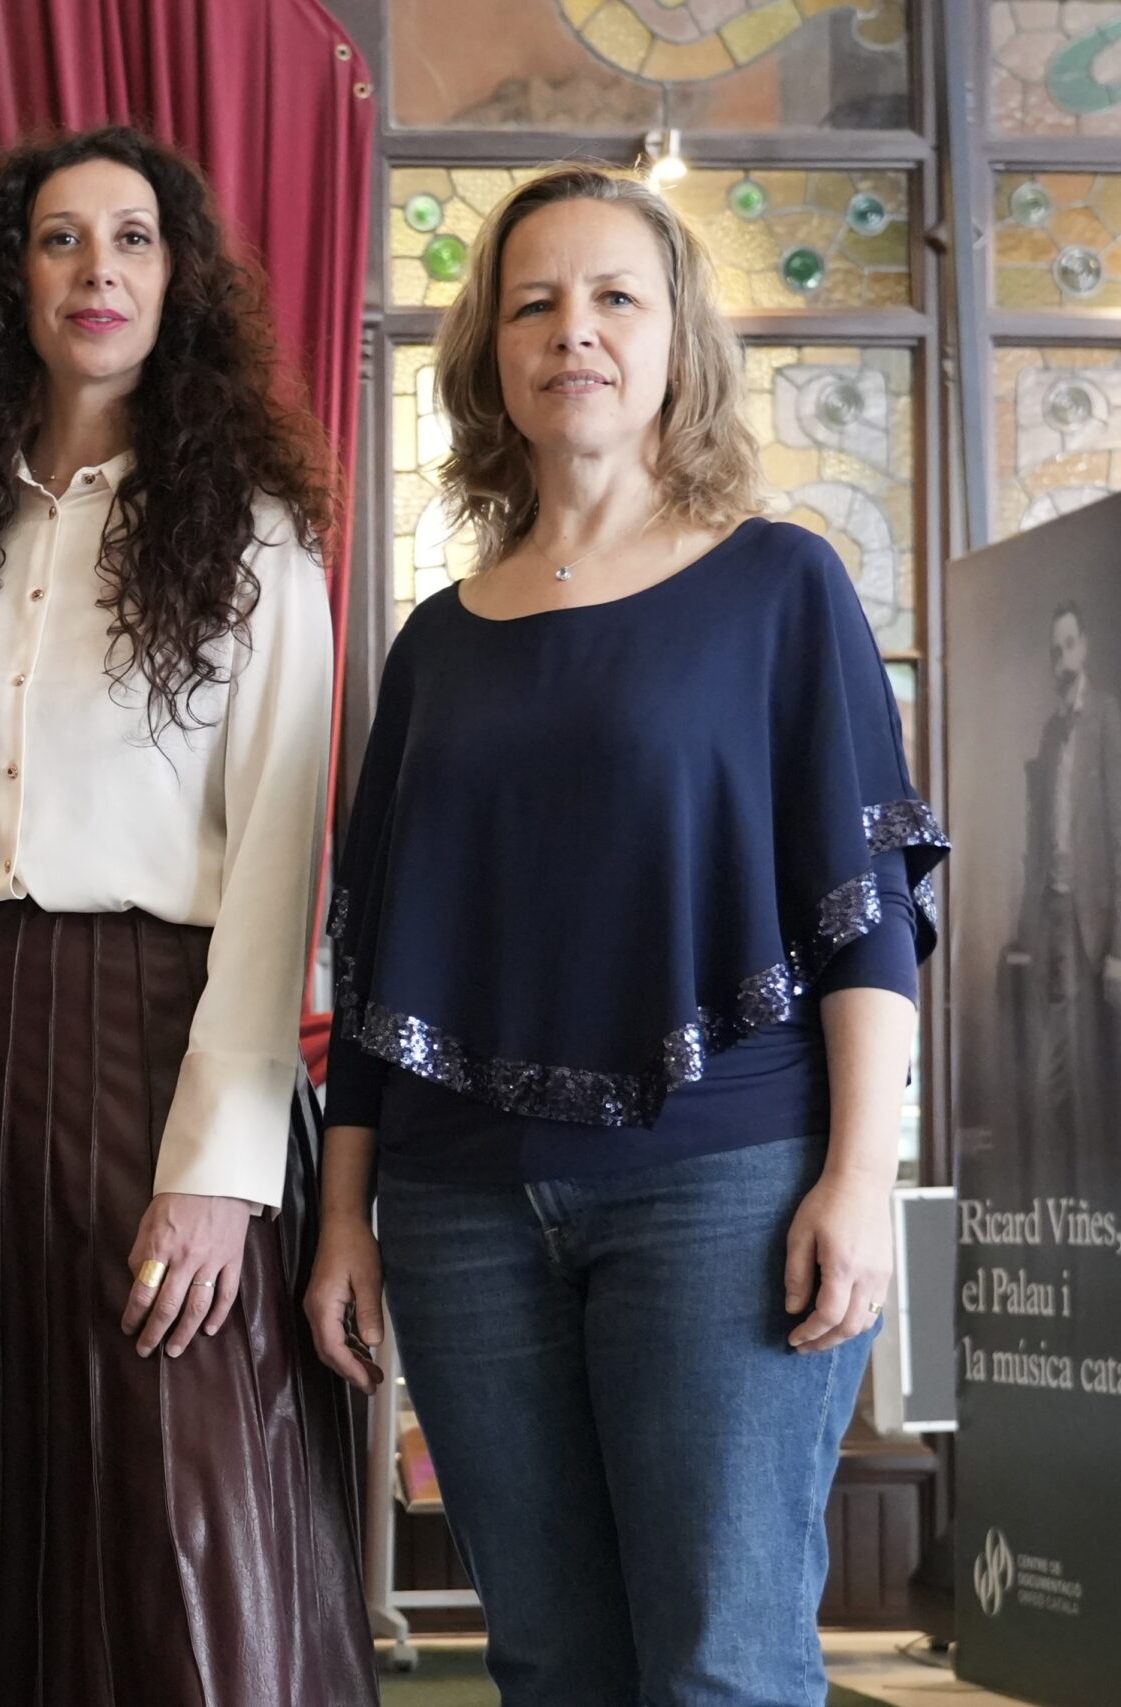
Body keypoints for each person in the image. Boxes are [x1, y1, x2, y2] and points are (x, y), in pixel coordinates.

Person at [304, 163, 948, 1707]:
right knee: (548, 1663)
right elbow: (380, 967)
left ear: (677, 342)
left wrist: (860, 1177)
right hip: (457, 1207)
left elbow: (865, 918)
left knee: (721, 1661)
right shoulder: (434, 643)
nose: (572, 330)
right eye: (533, 302)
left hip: (723, 1187)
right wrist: (343, 1215)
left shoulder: (781, 585)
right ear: (492, 355)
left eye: (613, 297)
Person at [0, 126, 378, 1706]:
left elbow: (278, 869)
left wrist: (220, 1172)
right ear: (12, 282)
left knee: (175, 1497)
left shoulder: (261, 541)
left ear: (177, 280)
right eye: (60, 238)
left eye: (132, 237)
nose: (97, 269)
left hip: (154, 1052)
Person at [1007, 601, 1121, 1200]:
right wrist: (1028, 927)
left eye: (1070, 645)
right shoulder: (1051, 733)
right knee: (1048, 1074)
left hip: (1091, 920)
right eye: (1055, 650)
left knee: (1084, 1074)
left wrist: (1118, 948)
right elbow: (1038, 834)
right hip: (1050, 917)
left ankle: (1092, 1208)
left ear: (1087, 647)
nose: (1063, 659)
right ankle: (1059, 1206)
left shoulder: (1109, 720)